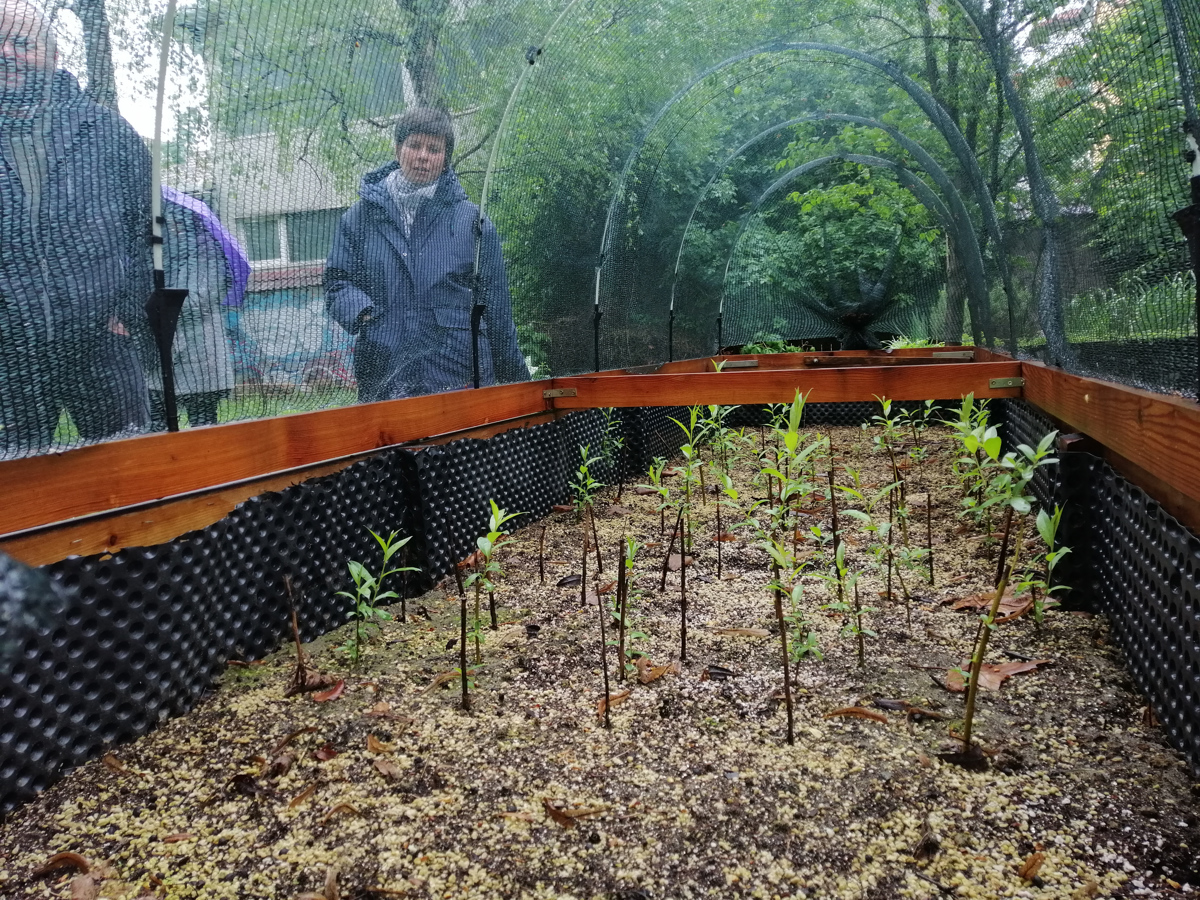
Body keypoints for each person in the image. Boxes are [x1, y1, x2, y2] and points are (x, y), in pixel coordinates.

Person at [0, 0, 152, 457]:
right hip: (10, 355)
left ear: (53, 54)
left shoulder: (105, 131)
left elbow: (153, 230)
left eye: (22, 44)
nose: (7, 54)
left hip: (101, 344)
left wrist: (128, 315)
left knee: (128, 474)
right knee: (15, 489)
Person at [325, 107, 528, 401]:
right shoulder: (359, 219)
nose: (423, 156)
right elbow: (337, 281)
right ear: (398, 149)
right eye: (414, 145)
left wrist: (519, 386)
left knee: (462, 446)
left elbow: (496, 309)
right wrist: (367, 314)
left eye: (434, 149)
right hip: (386, 368)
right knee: (390, 445)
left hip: (457, 372)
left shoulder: (472, 223)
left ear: (445, 159)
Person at [144, 187, 249, 429]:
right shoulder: (154, 251)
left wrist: (161, 304)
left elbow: (202, 296)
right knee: (157, 426)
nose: (172, 224)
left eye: (177, 219)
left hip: (200, 351)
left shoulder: (209, 250)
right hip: (160, 347)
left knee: (202, 423)